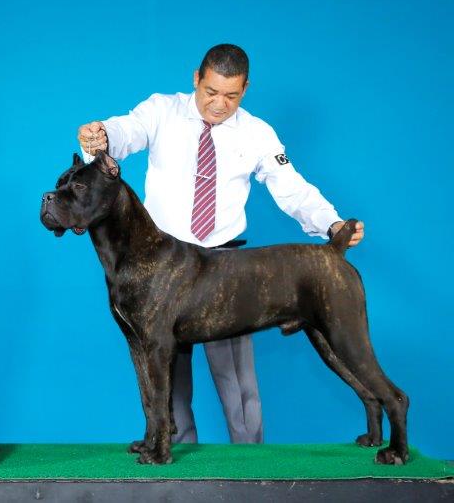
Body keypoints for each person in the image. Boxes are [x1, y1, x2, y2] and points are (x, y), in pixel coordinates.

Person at [77, 43, 363, 444]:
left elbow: (291, 187)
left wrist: (331, 223)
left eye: (231, 95)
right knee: (166, 378)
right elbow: (126, 131)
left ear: (245, 89)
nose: (219, 104)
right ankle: (173, 452)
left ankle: (249, 460)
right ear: (196, 79)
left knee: (238, 384)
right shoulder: (161, 110)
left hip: (223, 268)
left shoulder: (257, 133)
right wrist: (103, 134)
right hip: (160, 266)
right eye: (211, 91)